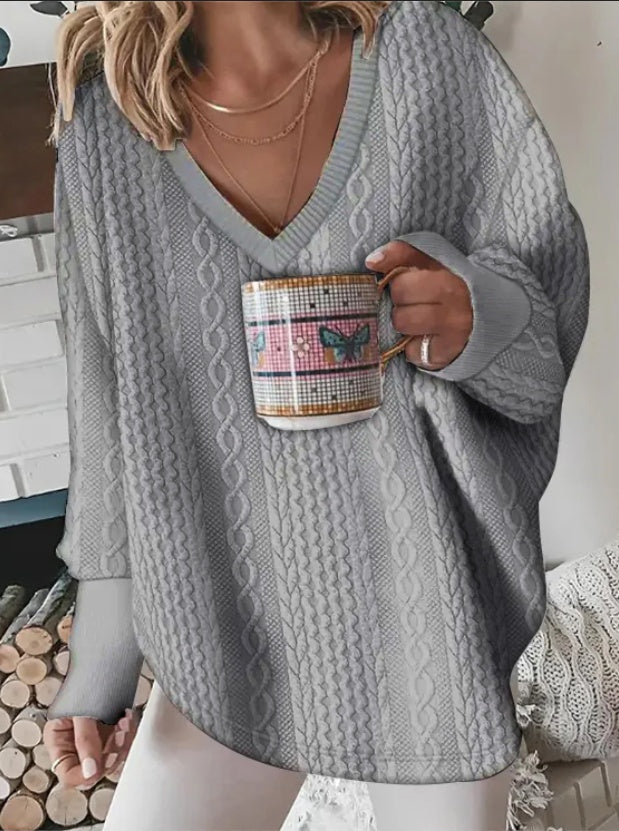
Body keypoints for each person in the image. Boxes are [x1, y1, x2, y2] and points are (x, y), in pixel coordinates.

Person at [42, 1, 590, 829]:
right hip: (226, 632)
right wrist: (101, 663)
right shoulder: (108, 117)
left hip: (428, 622)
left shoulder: (426, 56)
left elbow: (543, 342)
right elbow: (108, 417)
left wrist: (475, 316)